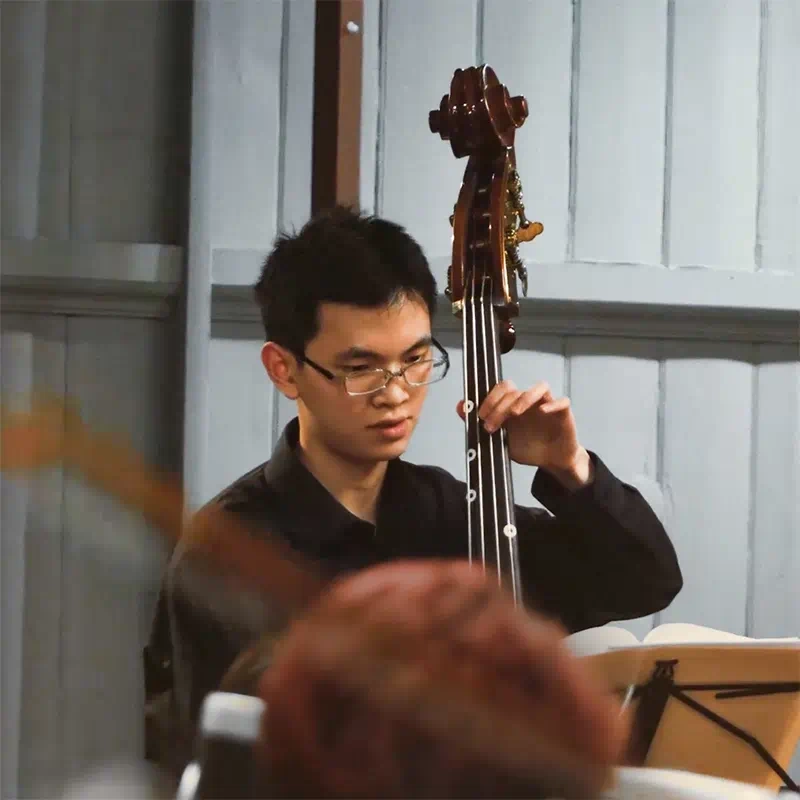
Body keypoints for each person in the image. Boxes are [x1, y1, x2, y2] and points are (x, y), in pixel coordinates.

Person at [151, 205, 682, 766]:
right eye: (362, 369)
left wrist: (567, 465)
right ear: (284, 369)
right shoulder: (225, 554)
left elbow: (643, 580)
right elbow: (210, 765)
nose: (396, 393)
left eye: (416, 359)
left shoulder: (458, 518)